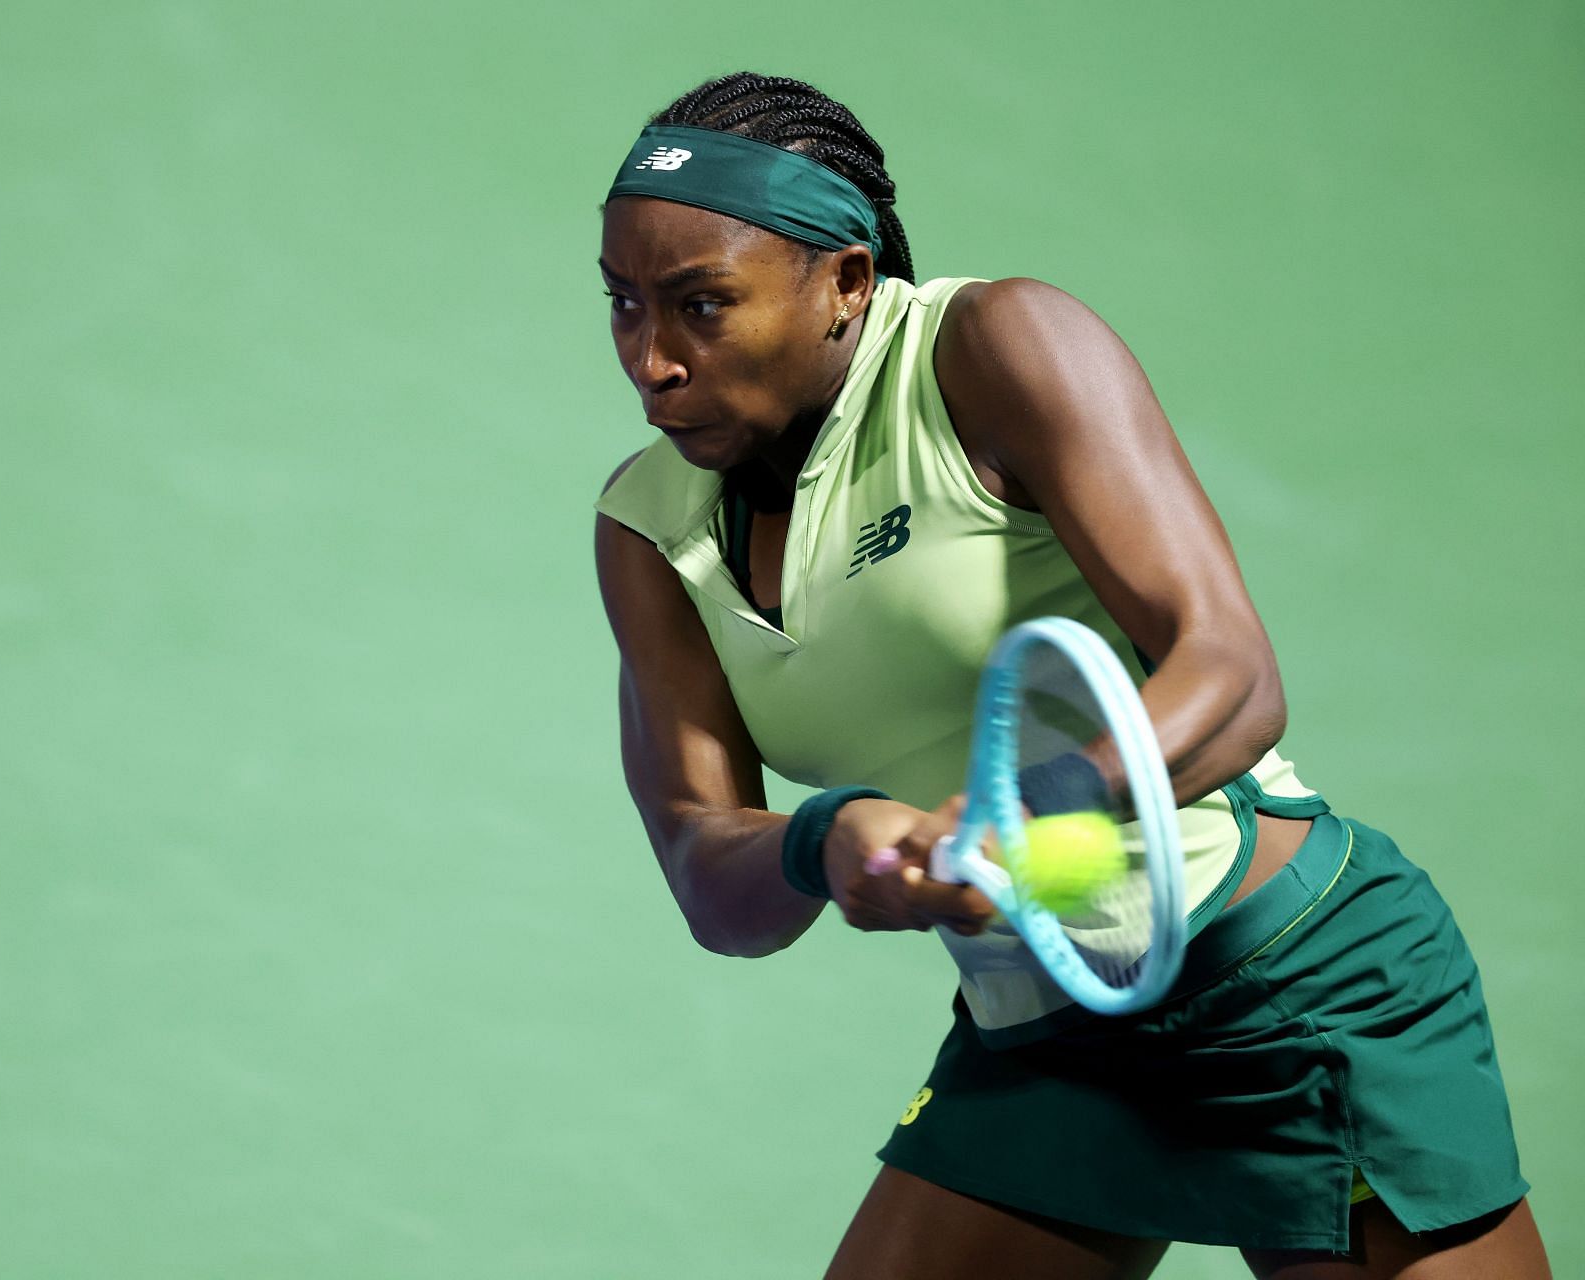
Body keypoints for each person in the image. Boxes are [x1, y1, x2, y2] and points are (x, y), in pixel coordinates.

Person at [591, 72, 1549, 1280]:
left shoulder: (993, 347)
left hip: (1291, 983)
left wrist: (1024, 815)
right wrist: (820, 842)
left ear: (844, 279)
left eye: (701, 305)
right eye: (623, 303)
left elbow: (1234, 674)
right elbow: (704, 867)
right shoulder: (646, 528)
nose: (652, 360)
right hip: (1043, 1030)